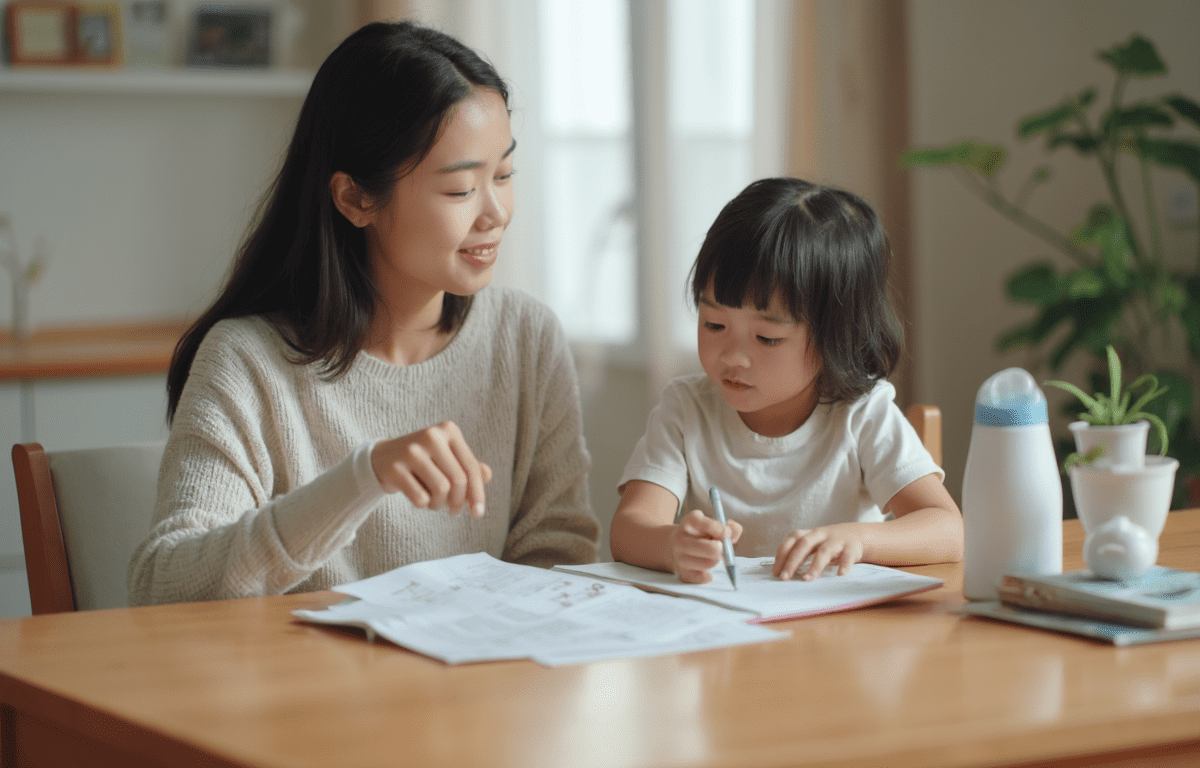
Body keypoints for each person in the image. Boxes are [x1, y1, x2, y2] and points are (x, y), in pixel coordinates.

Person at [128, 21, 599, 605]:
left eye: (503, 175)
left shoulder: (525, 339)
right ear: (355, 198)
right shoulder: (246, 361)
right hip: (303, 692)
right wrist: (362, 477)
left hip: (476, 690)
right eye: (460, 190)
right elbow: (164, 584)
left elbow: (558, 558)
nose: (496, 212)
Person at [609, 177, 963, 584]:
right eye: (714, 323)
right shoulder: (687, 410)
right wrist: (671, 545)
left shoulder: (862, 413)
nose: (732, 357)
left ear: (835, 337)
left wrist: (860, 539)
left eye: (767, 337)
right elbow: (629, 528)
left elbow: (948, 530)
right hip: (724, 632)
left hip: (837, 635)